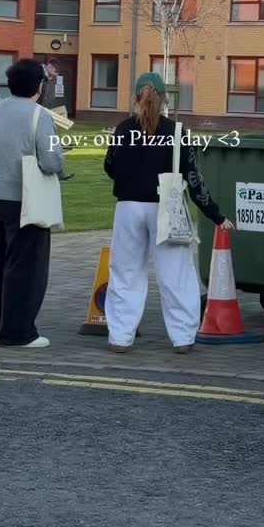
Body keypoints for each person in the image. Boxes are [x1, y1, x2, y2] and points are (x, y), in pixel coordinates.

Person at [104, 72, 233, 354]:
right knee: (176, 274)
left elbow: (110, 166)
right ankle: (182, 337)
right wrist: (216, 215)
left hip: (127, 208)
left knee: (125, 273)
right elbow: (194, 179)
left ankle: (120, 336)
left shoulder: (122, 129)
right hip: (167, 205)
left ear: (136, 96)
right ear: (164, 99)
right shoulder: (176, 132)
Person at [0, 58, 64, 348]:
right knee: (26, 266)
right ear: (39, 86)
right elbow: (52, 161)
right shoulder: (39, 116)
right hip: (26, 198)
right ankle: (17, 331)